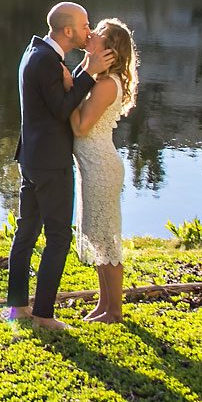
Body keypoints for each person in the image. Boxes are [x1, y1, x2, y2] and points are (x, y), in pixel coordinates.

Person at [5, 1, 109, 331]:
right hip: (50, 162)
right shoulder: (47, 61)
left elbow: (54, 100)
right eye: (85, 25)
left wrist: (80, 72)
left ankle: (17, 306)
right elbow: (63, 109)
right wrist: (89, 73)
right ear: (68, 30)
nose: (89, 30)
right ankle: (43, 315)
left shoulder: (36, 52)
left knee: (26, 232)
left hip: (32, 158)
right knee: (58, 237)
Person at [66, 18, 139, 323]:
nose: (91, 34)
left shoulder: (108, 85)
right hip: (91, 167)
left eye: (97, 32)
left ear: (108, 49)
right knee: (98, 237)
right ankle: (104, 304)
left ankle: (115, 310)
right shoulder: (101, 79)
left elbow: (81, 127)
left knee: (107, 238)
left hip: (100, 167)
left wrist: (67, 94)